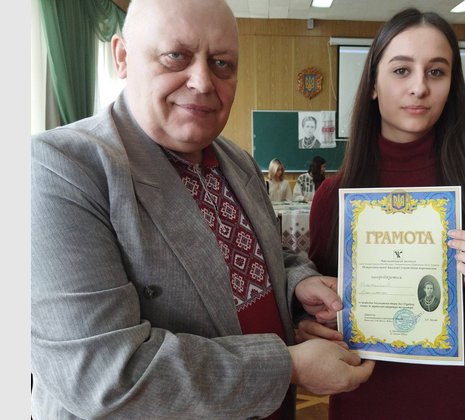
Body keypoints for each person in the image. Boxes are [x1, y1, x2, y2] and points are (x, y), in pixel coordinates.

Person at [30, 1, 374, 419]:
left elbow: (266, 256)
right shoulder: (63, 167)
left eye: (222, 63)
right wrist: (289, 365)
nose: (203, 81)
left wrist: (300, 284)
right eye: (176, 56)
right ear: (122, 57)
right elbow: (105, 374)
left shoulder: (238, 160)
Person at [300, 8, 465, 419]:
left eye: (436, 72)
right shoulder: (335, 195)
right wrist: (313, 319)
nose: (419, 87)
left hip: (449, 400)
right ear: (373, 85)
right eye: (401, 70)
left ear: (452, 86)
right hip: (361, 395)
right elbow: (319, 299)